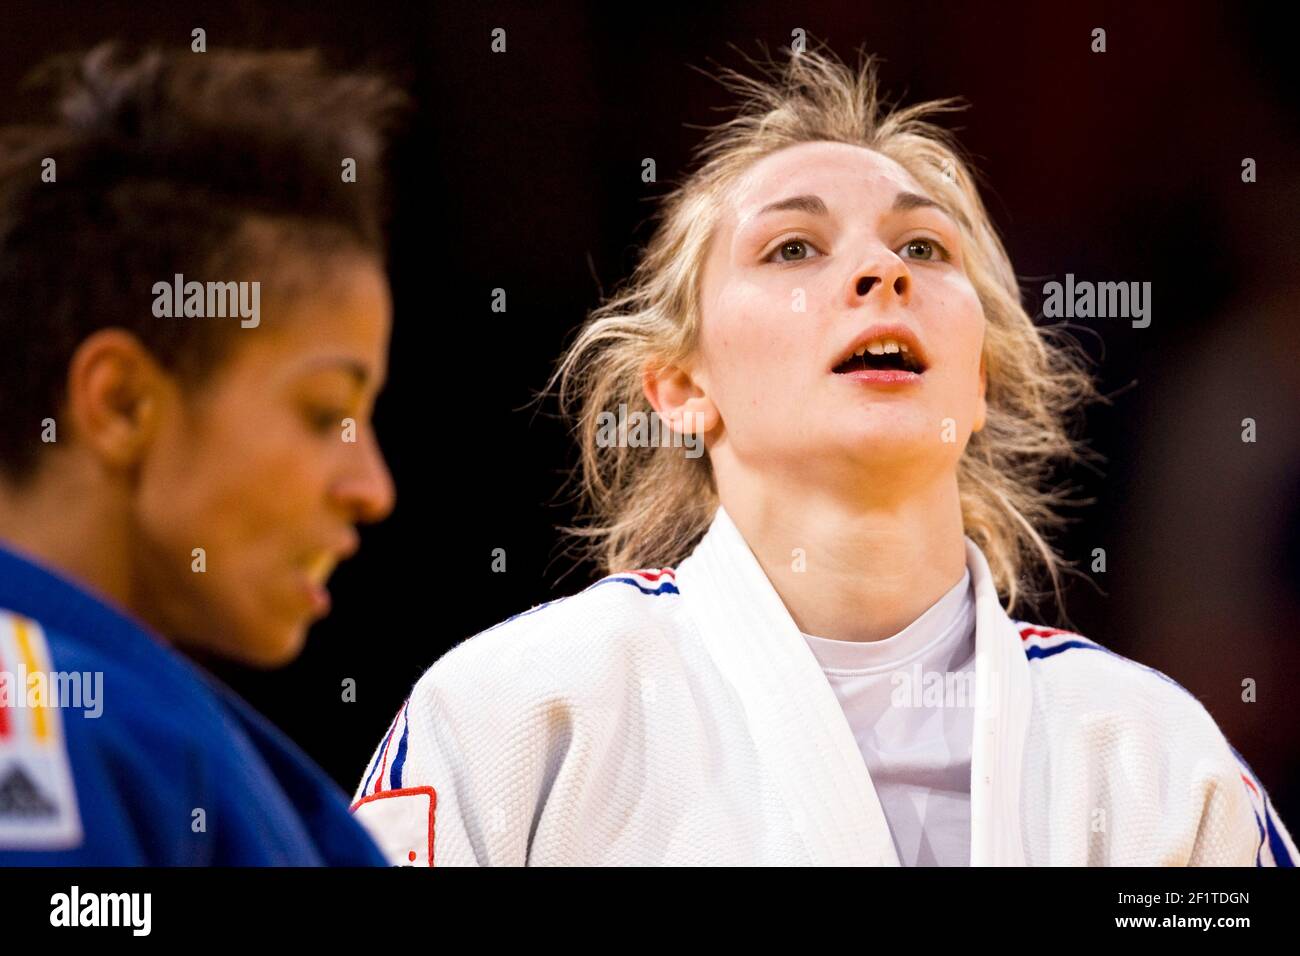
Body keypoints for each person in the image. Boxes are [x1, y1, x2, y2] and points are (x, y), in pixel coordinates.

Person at [352, 47, 1295, 866]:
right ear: (680, 389)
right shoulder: (523, 715)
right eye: (793, 247)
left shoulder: (1153, 759)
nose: (881, 274)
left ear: (980, 384)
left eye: (924, 247)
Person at [0, 44, 401, 864]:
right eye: (326, 413)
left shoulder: (150, 727)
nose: (373, 489)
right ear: (121, 403)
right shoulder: (41, 724)